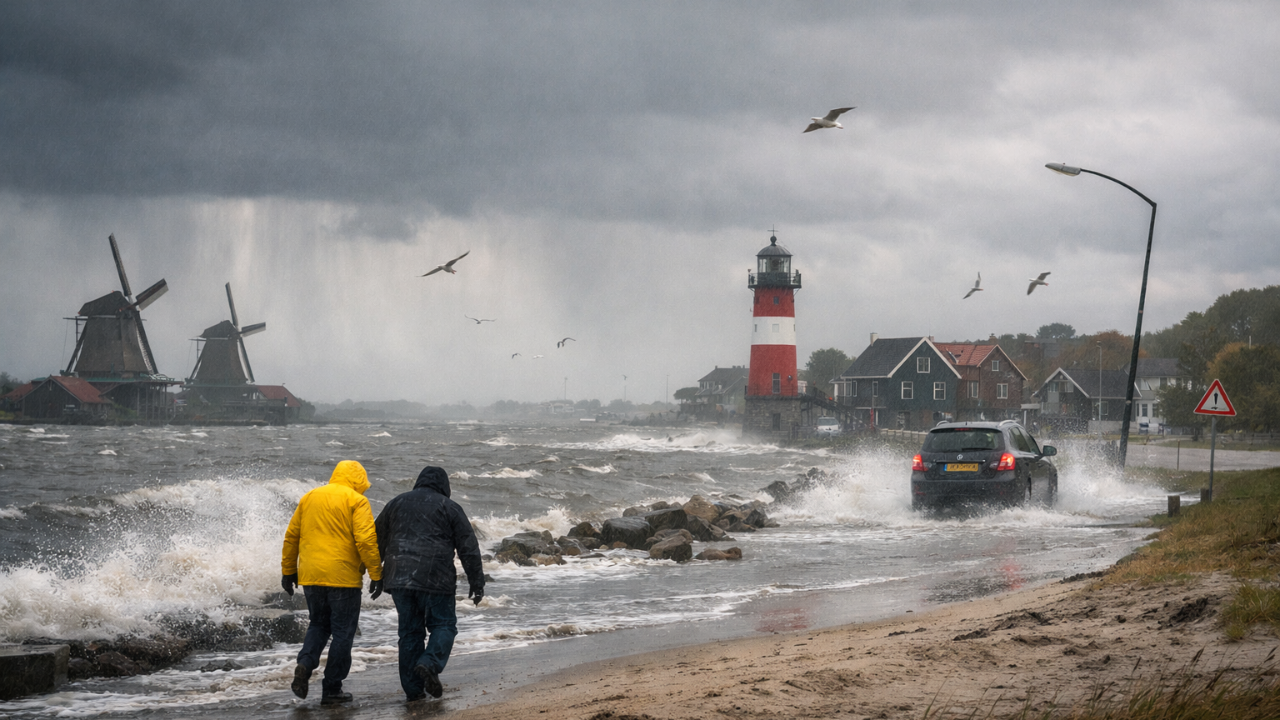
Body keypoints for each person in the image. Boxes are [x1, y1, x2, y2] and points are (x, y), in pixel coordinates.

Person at [375, 466, 484, 701]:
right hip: (436, 577)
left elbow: (376, 540)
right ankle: (430, 663)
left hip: (399, 578)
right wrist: (477, 581)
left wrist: (376, 576)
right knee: (443, 625)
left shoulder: (396, 502)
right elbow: (469, 548)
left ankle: (414, 692)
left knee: (409, 634)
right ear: (445, 486)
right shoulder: (450, 507)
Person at [280, 460, 383, 705]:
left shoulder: (310, 497)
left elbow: (292, 535)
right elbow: (366, 541)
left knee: (317, 625)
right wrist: (376, 573)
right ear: (358, 481)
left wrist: (288, 571)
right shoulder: (357, 501)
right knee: (342, 634)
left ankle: (304, 665)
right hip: (343, 579)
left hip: (311, 576)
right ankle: (332, 689)